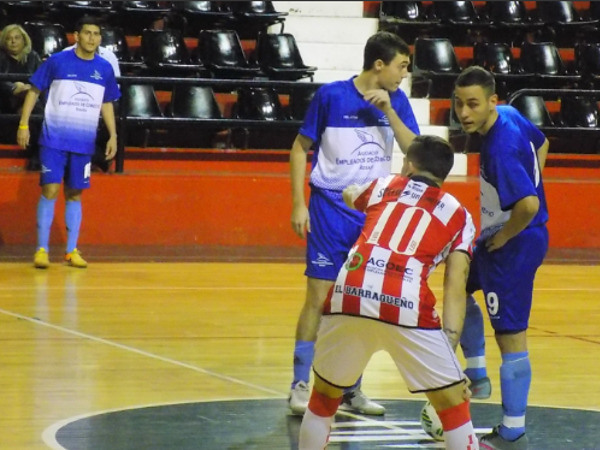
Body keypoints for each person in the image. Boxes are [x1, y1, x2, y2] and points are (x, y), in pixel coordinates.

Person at [298, 135, 479, 450]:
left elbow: (349, 193)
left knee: (323, 400)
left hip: (349, 294)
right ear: (445, 173)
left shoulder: (383, 186)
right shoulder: (460, 215)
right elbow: (456, 285)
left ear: (409, 164)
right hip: (406, 305)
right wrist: (448, 351)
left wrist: (363, 191)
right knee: (455, 408)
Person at [288, 30, 420, 416]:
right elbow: (299, 149)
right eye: (401, 66)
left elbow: (417, 151)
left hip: (373, 217)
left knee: (361, 302)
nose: (404, 75)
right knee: (319, 298)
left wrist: (390, 112)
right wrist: (299, 205)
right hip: (329, 213)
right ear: (379, 65)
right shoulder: (331, 95)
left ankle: (350, 388)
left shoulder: (396, 100)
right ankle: (299, 385)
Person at [454, 66, 549, 450]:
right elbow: (542, 143)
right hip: (502, 235)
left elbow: (526, 203)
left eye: (472, 104)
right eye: (459, 104)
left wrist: (505, 234)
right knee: (457, 282)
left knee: (510, 334)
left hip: (514, 243)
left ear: (492, 101)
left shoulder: (499, 148)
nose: (464, 112)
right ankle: (476, 374)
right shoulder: (509, 114)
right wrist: (532, 180)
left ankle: (513, 428)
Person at [16, 15, 121, 269]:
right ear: (76, 35)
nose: (91, 38)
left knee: (74, 194)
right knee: (50, 189)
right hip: (53, 139)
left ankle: (71, 251)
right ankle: (41, 249)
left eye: (96, 34)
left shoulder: (104, 69)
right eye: (87, 33)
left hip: (84, 143)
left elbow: (107, 103)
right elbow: (34, 91)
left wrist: (113, 135)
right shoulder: (57, 61)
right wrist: (23, 124)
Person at [0, 24, 43, 170]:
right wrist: (14, 88)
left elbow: (41, 82)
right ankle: (37, 158)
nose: (13, 42)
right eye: (9, 39)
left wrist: (27, 89)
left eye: (17, 38)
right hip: (6, 110)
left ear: (24, 40)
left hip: (31, 108)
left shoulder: (33, 57)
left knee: (35, 107)